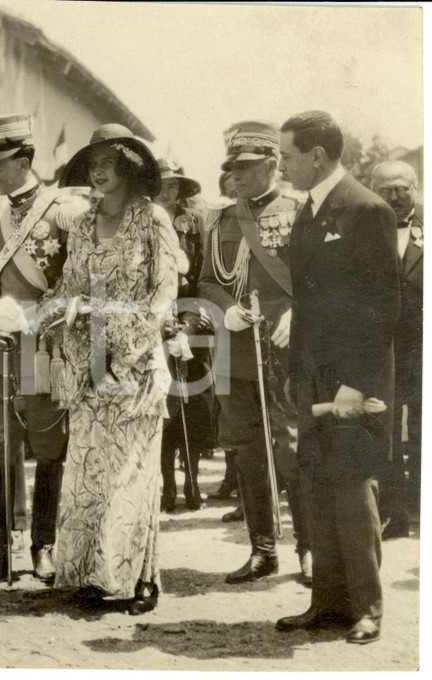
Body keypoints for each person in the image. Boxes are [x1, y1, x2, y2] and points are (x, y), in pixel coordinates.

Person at [42, 123, 179, 615]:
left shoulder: (152, 218)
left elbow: (164, 293)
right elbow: (70, 285)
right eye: (93, 164)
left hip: (135, 362)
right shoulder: (82, 224)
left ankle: (139, 578)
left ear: (129, 166)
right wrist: (55, 310)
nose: (98, 172)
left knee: (133, 472)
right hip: (89, 362)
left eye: (107, 163)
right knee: (88, 471)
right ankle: (91, 575)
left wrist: (123, 332)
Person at [276, 110, 399, 645]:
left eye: (286, 156)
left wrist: (358, 381)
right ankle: (326, 602)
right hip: (314, 376)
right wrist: (296, 373)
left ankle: (366, 607)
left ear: (317, 156)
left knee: (352, 489)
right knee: (318, 487)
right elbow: (305, 305)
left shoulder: (367, 210)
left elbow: (383, 305)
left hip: (352, 379)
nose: (282, 167)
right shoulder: (309, 210)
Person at [0, 114, 86, 586]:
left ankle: (43, 545)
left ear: (24, 160)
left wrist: (35, 315)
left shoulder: (64, 212)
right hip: (1, 349)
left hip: (47, 350)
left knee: (49, 444)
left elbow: (79, 283)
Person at [199, 121, 312, 586]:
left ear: (272, 164)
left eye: (246, 167)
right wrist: (225, 309)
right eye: (232, 167)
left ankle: (309, 548)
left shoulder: (301, 211)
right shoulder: (221, 219)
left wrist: (300, 314)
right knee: (247, 451)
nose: (236, 175)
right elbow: (208, 280)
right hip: (236, 349)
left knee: (292, 449)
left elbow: (320, 280)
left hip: (286, 349)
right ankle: (262, 549)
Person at [154, 158, 214, 512]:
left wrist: (190, 325)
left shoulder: (192, 224)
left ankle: (192, 482)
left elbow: (204, 273)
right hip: (153, 322)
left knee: (193, 407)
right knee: (163, 408)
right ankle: (167, 488)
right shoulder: (141, 221)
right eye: (162, 184)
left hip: (190, 316)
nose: (168, 191)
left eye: (174, 185)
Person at [370, 160, 422, 538]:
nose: (394, 196)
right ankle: (395, 511)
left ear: (414, 188)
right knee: (384, 426)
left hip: (422, 346)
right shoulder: (359, 231)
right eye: (385, 190)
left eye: (401, 188)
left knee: (423, 424)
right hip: (381, 347)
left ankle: (421, 499)